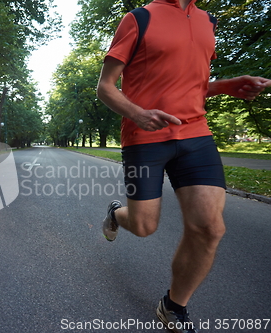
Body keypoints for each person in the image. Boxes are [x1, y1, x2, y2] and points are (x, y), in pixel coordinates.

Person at [96, 0, 270, 332]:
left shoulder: (207, 21)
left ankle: (173, 304)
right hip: (144, 136)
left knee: (209, 228)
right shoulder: (139, 19)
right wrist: (138, 114)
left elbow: (191, 85)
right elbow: (105, 87)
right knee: (144, 226)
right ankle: (117, 214)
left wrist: (225, 86)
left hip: (196, 134)